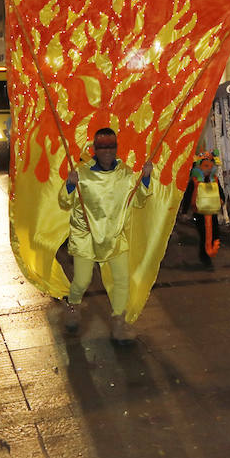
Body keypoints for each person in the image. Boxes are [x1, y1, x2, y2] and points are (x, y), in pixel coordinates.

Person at [59, 128, 155, 342]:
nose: (107, 151)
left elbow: (139, 199)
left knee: (122, 280)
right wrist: (69, 184)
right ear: (95, 149)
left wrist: (146, 178)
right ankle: (73, 306)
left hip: (114, 236)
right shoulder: (82, 173)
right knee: (82, 281)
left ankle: (118, 323)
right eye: (102, 147)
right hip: (86, 237)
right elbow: (64, 202)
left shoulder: (126, 174)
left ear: (116, 148)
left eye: (111, 147)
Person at [184, 152, 223, 269]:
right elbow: (187, 195)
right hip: (199, 213)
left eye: (210, 166)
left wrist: (222, 199)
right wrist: (185, 212)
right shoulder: (195, 181)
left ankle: (209, 252)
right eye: (206, 166)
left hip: (212, 212)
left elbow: (220, 192)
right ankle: (205, 257)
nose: (208, 169)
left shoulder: (214, 179)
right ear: (200, 167)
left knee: (215, 233)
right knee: (204, 235)